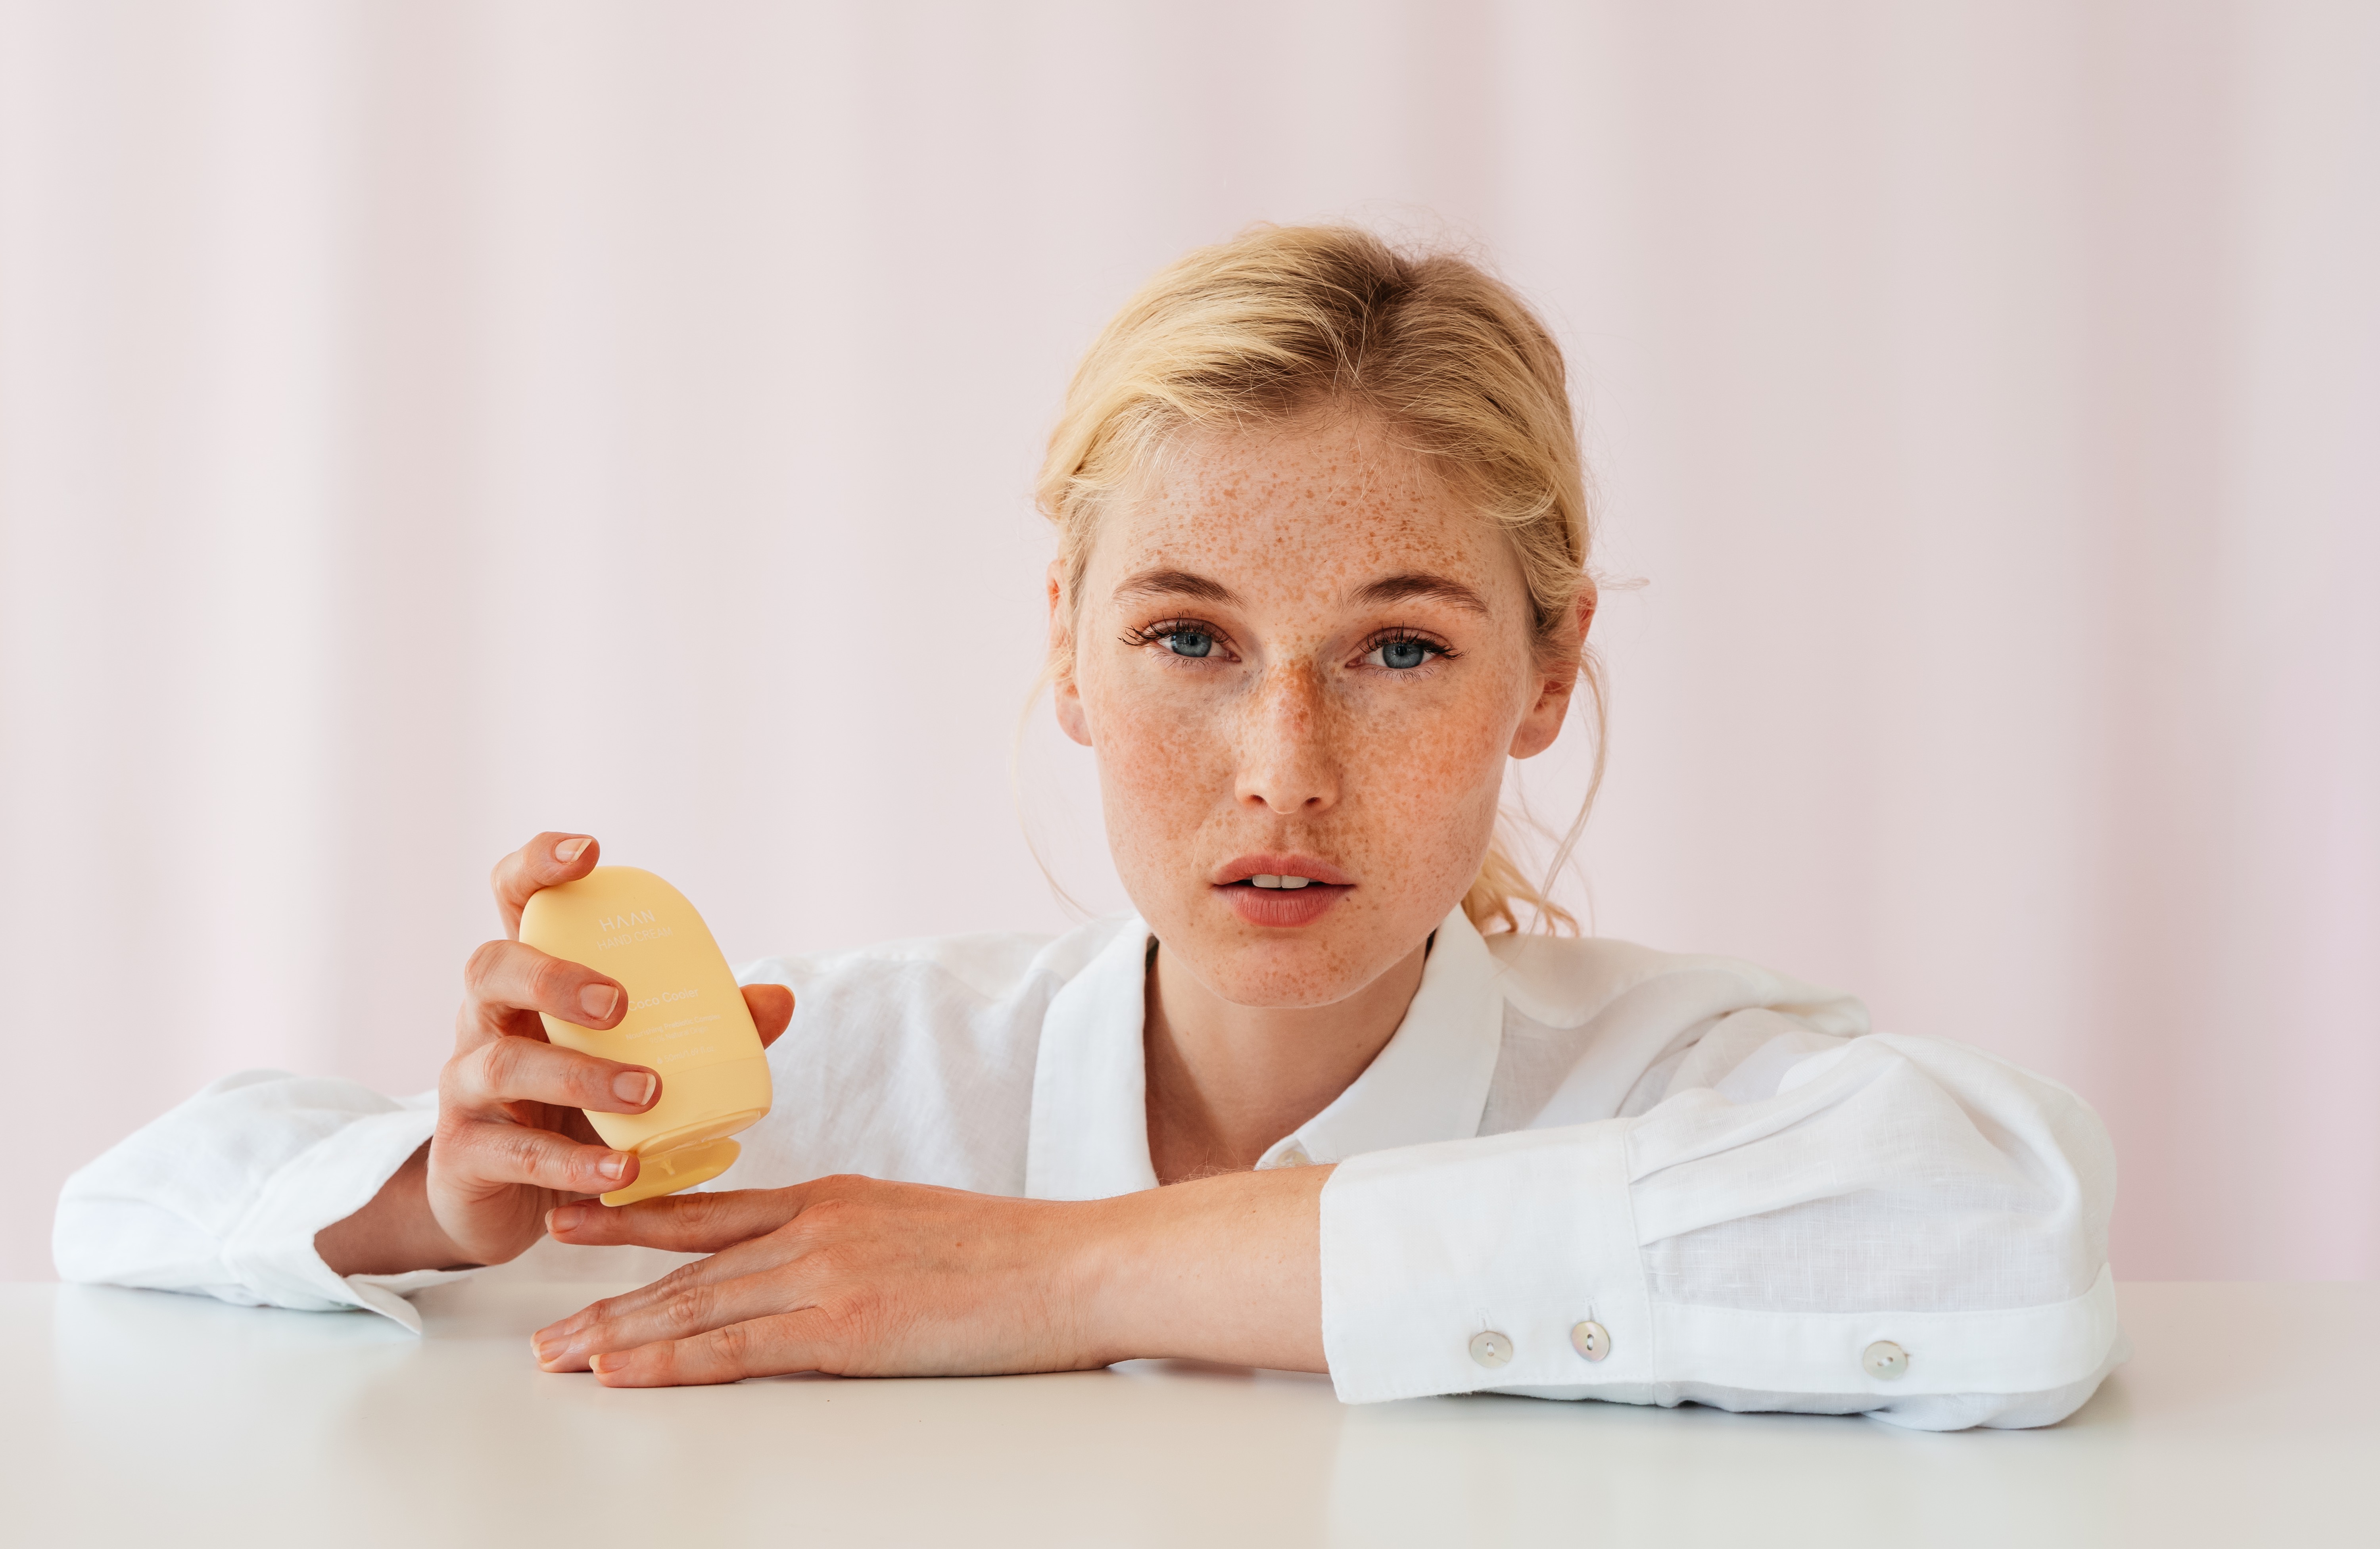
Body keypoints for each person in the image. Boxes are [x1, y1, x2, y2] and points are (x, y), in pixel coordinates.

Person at [53, 225, 2119, 1429]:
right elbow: (124, 1212)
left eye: (1396, 651)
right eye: (1190, 638)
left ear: (1548, 670)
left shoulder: (1683, 1078)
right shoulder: (847, 1086)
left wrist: (1054, 1278)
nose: (1281, 766)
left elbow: (2006, 1232)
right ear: (1064, 653)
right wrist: (431, 1195)